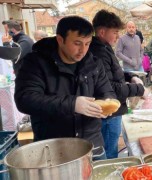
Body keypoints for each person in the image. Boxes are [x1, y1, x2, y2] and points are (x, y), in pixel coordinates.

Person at [14, 16, 116, 160]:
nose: (83, 50)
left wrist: (107, 102)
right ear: (60, 39)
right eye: (77, 43)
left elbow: (107, 91)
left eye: (87, 44)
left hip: (92, 147)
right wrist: (73, 104)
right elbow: (25, 99)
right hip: (53, 150)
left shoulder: (94, 63)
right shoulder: (35, 63)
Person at [90, 10, 148, 159]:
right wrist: (139, 89)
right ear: (102, 32)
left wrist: (132, 76)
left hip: (113, 112)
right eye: (115, 32)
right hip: (109, 114)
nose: (117, 36)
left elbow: (115, 73)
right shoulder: (98, 52)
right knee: (109, 154)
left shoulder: (105, 47)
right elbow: (110, 88)